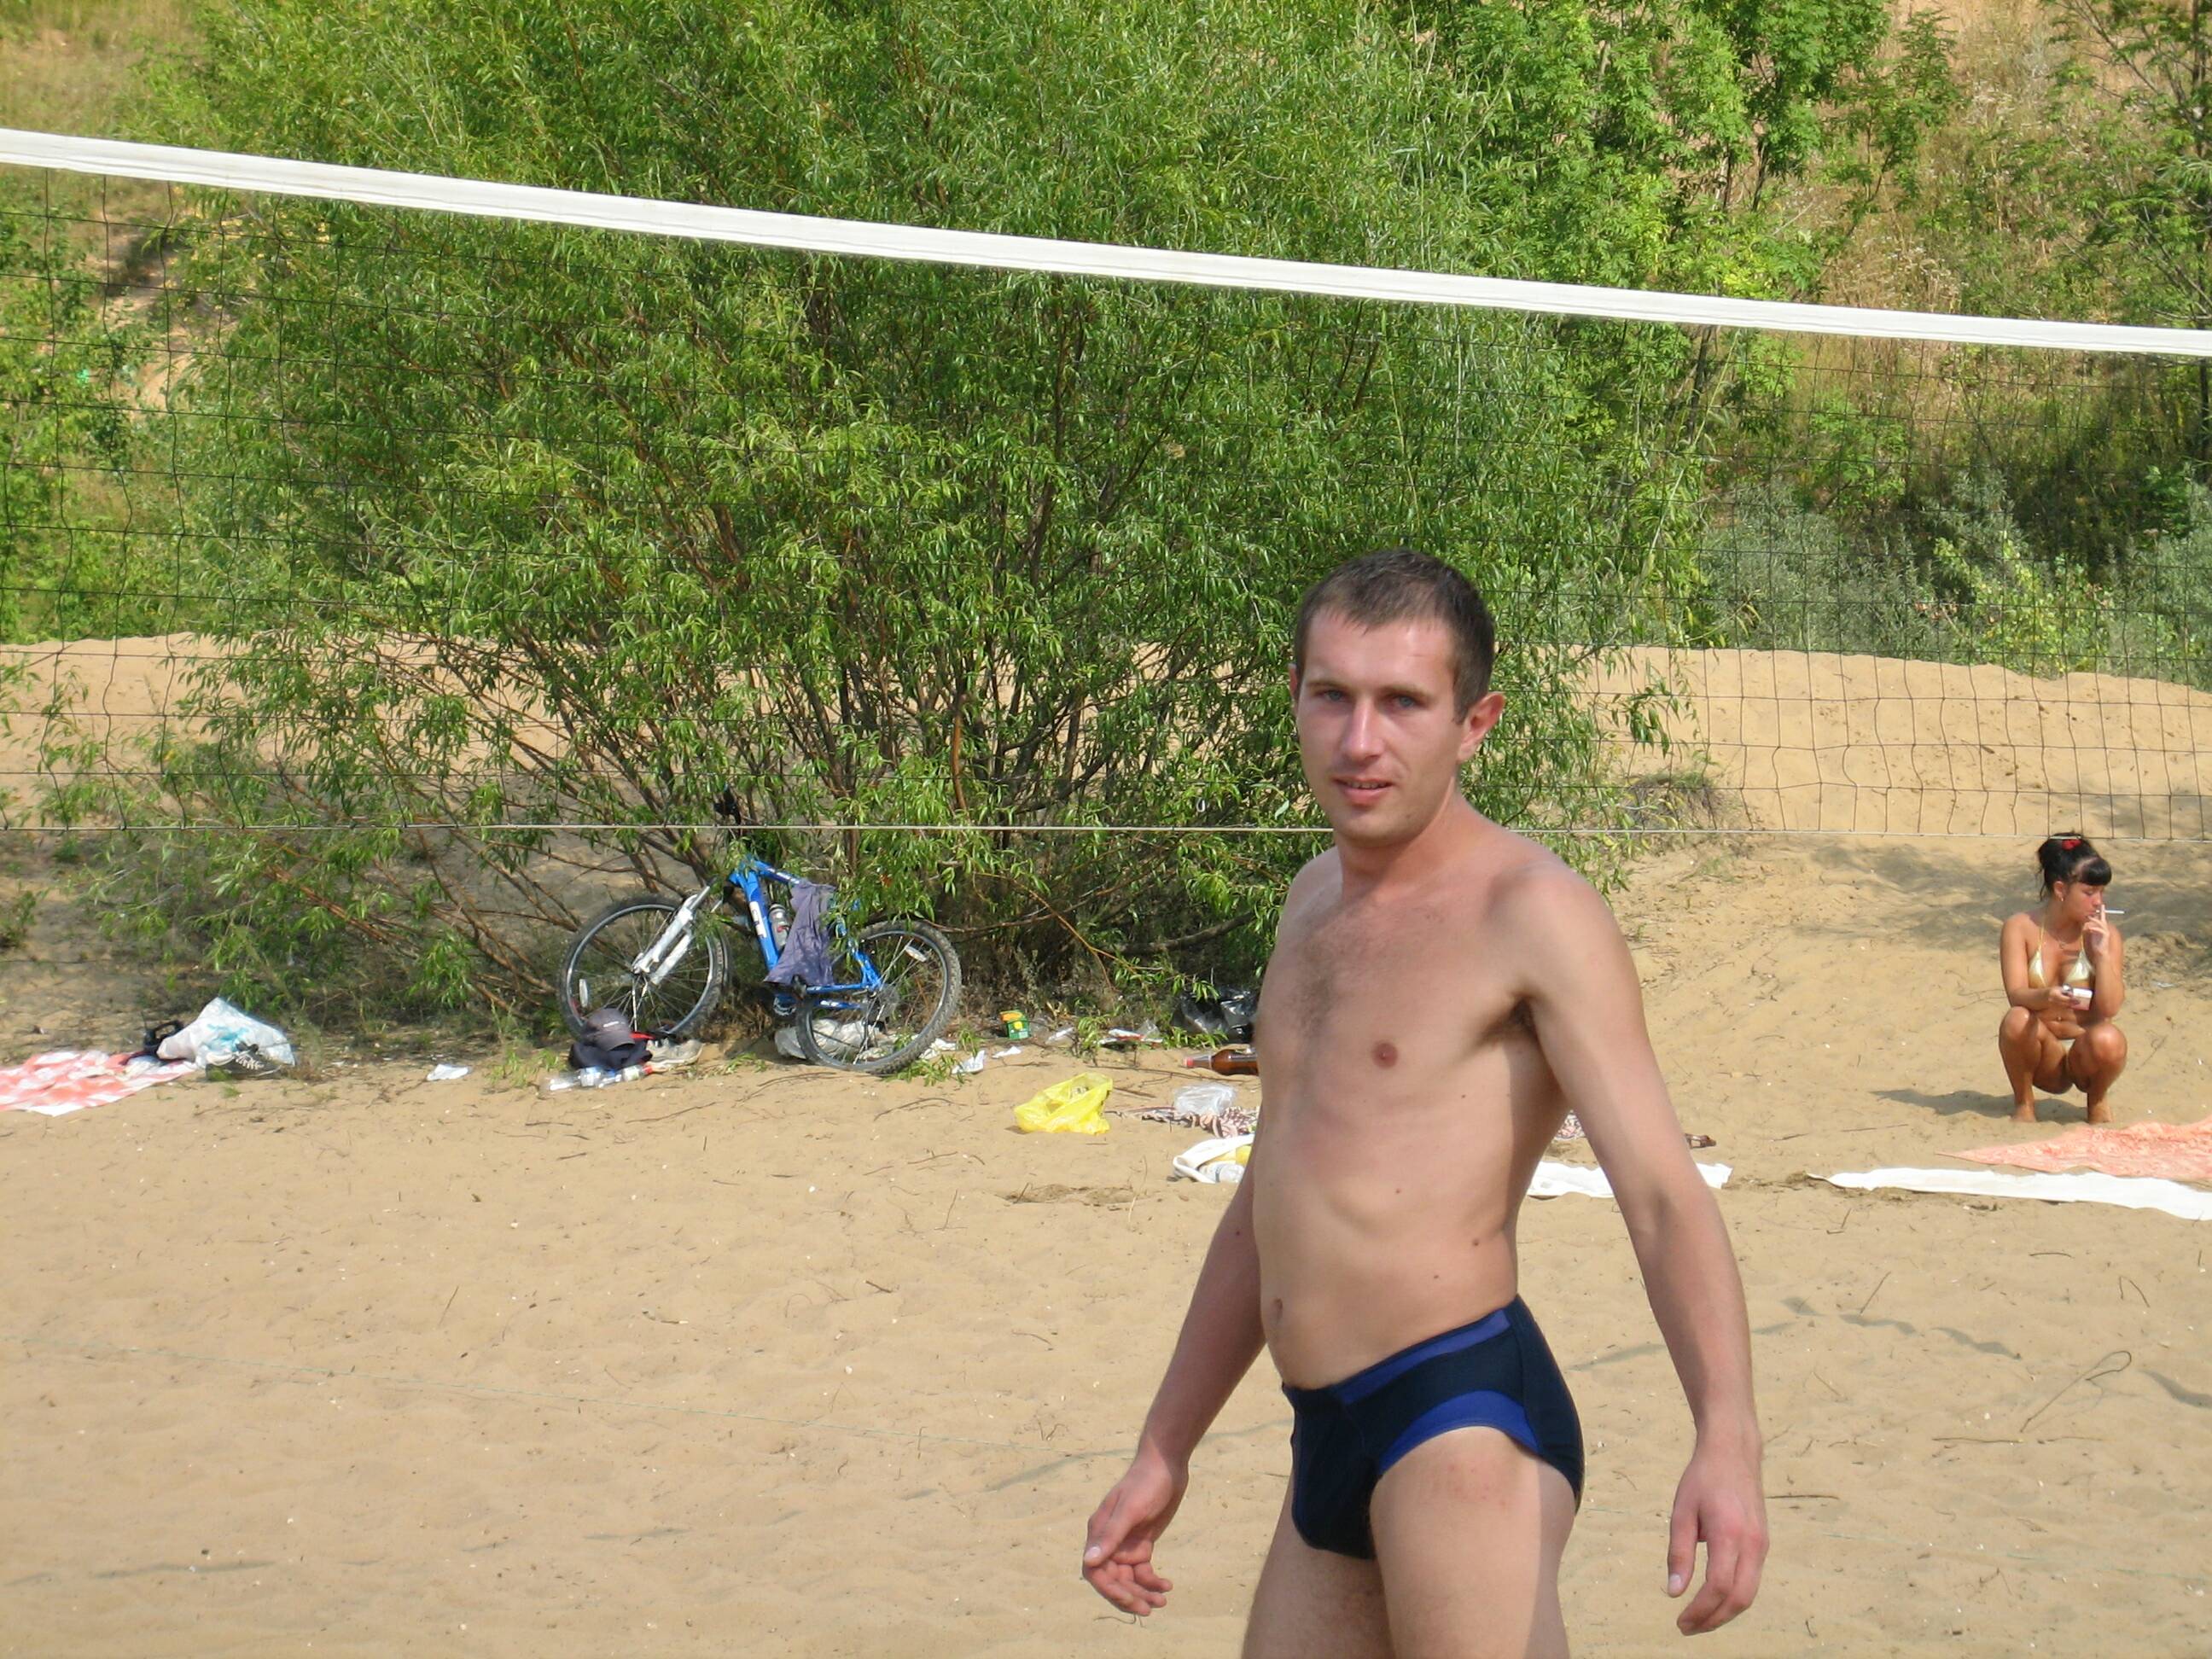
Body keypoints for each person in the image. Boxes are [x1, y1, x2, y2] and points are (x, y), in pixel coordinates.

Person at [1080, 549, 1767, 1655]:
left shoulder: (1531, 913)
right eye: (1332, 696)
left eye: (1403, 702)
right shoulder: (1310, 902)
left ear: (1474, 722)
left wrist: (1725, 1440)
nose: (1361, 741)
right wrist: (1166, 1446)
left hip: (1456, 1415)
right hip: (1326, 1428)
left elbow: (1661, 1195)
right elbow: (1272, 1198)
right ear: (1294, 698)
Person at [1998, 835, 2127, 1125]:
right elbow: (2016, 994)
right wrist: (2047, 996)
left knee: (2110, 1037)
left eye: (2101, 892)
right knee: (2016, 1019)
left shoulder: (2106, 935)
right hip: (2044, 1052)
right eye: (2089, 892)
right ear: (2060, 890)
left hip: (2085, 1051)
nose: (2098, 902)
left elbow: (2110, 1008)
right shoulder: (2020, 927)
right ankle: (2024, 1102)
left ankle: (2097, 1100)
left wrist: (2102, 954)